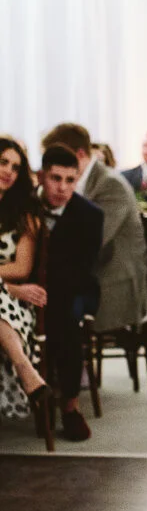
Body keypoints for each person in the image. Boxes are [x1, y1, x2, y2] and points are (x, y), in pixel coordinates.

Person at [40, 124, 147, 334]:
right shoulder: (84, 181)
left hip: (111, 282)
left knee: (54, 296)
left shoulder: (110, 185)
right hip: (86, 271)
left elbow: (91, 242)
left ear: (79, 154)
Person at [36, 144, 104, 441]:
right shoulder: (24, 206)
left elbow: (82, 269)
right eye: (55, 178)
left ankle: (70, 405)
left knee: (65, 317)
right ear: (41, 176)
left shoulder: (90, 216)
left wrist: (45, 293)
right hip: (30, 284)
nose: (62, 188)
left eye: (70, 180)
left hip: (75, 287)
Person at [0, 137, 52, 422]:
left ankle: (22, 365)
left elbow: (21, 267)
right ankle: (25, 369)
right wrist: (9, 287)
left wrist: (10, 289)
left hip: (14, 308)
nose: (9, 171)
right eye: (3, 162)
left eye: (16, 167)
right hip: (11, 292)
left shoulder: (25, 214)